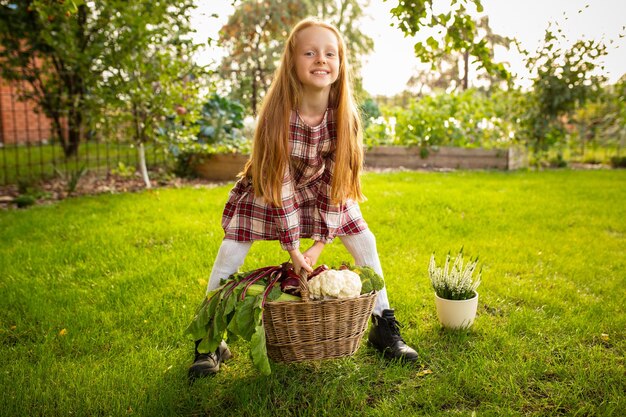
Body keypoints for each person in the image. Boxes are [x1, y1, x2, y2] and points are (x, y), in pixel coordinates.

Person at [189, 17, 418, 379]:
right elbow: (279, 185)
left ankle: (382, 325)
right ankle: (209, 340)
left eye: (330, 53)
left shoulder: (344, 117)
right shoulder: (278, 115)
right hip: (270, 189)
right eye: (309, 52)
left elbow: (337, 181)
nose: (320, 60)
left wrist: (320, 244)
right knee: (230, 252)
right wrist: (294, 248)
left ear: (341, 65)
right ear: (292, 62)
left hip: (322, 189)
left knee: (365, 241)